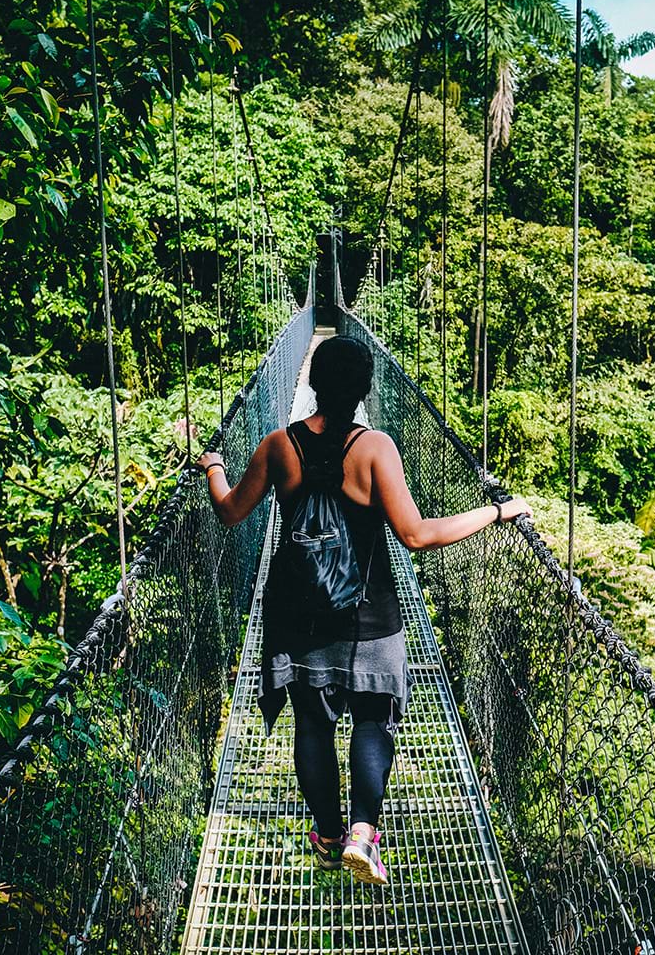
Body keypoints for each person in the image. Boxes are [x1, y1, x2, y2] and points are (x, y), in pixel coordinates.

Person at [195, 335, 530, 886]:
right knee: (373, 719)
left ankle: (326, 836)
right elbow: (417, 535)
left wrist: (212, 467)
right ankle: (361, 834)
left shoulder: (279, 445)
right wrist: (496, 512)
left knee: (312, 724)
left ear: (309, 384)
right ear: (365, 389)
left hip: (299, 615)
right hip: (370, 616)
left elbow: (231, 512)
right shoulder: (376, 449)